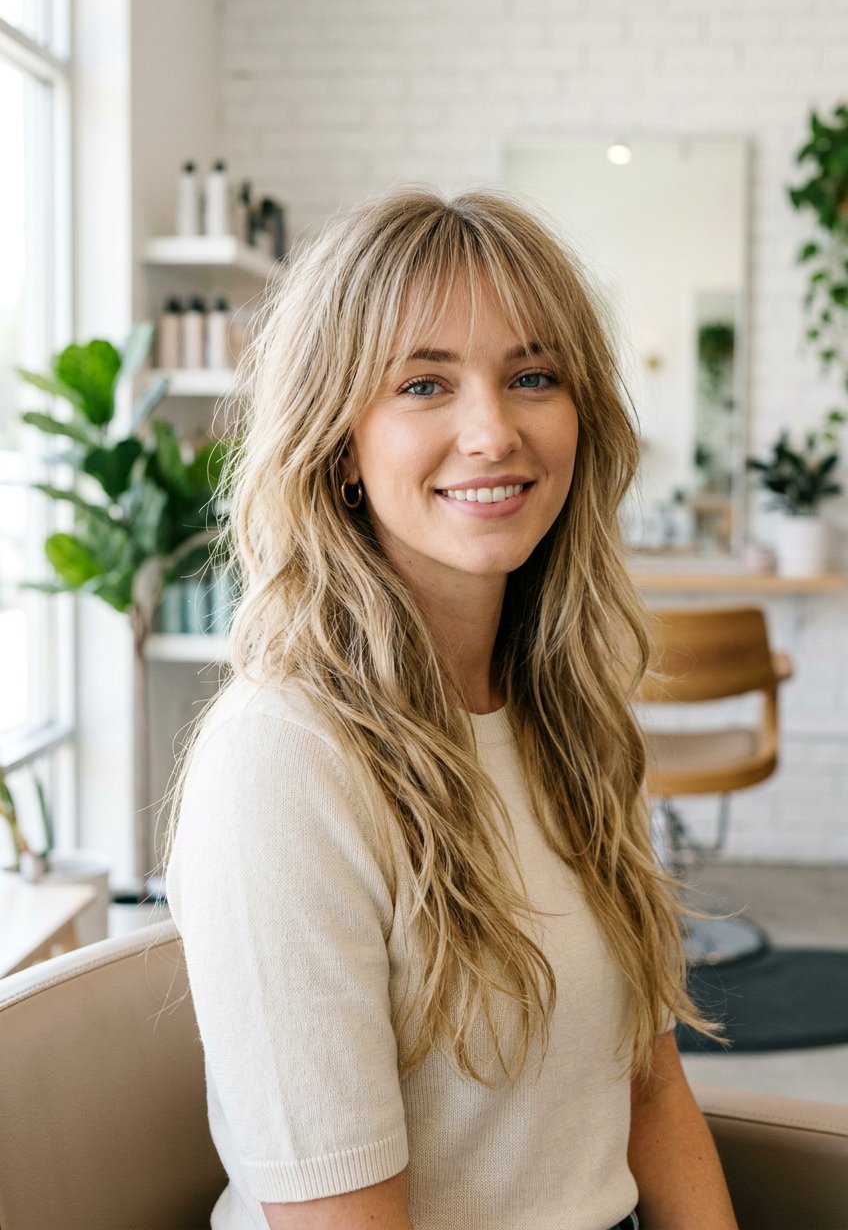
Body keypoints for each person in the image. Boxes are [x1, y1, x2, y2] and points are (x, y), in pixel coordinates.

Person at [164, 189, 738, 1230]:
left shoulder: (566, 717)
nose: (492, 431)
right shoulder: (283, 765)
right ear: (338, 443)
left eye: (530, 376)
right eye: (424, 383)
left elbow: (648, 1089)